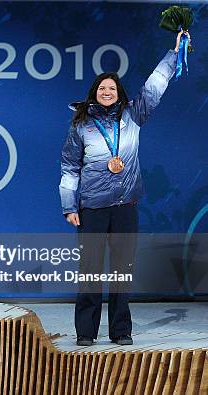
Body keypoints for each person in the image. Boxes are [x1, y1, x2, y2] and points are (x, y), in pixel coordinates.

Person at [59, 31, 190, 346]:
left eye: (112, 88)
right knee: (90, 272)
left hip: (125, 207)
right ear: (95, 93)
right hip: (92, 208)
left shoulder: (132, 115)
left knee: (122, 272)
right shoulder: (81, 125)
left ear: (119, 94)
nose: (107, 91)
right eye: (102, 87)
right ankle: (86, 333)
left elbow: (154, 88)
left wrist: (174, 54)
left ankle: (120, 331)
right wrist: (69, 206)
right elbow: (69, 167)